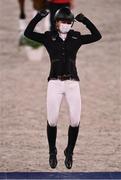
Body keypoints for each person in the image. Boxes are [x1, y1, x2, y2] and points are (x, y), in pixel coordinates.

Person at [24, 7, 102, 169]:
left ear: (71, 23)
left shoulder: (76, 37)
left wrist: (85, 20)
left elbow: (97, 36)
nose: (65, 24)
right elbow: (28, 33)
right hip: (54, 82)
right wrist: (38, 17)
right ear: (56, 22)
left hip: (73, 83)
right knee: (52, 120)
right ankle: (52, 151)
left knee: (75, 120)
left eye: (68, 22)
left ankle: (70, 151)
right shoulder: (48, 37)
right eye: (62, 21)